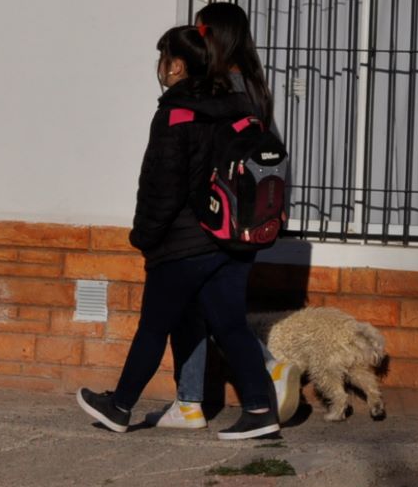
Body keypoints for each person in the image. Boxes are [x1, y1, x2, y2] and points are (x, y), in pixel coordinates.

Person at [76, 25, 283, 440]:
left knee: (154, 326)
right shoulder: (238, 107)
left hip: (184, 242)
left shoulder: (175, 115)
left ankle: (119, 406)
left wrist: (145, 237)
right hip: (232, 238)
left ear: (177, 65)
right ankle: (261, 411)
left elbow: (161, 187)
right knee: (230, 325)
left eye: (162, 59)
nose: (160, 68)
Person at [155, 2, 303, 430]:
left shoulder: (218, 88)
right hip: (252, 216)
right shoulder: (256, 85)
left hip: (216, 217)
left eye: (201, 35)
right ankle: (204, 398)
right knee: (214, 308)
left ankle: (198, 400)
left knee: (201, 308)